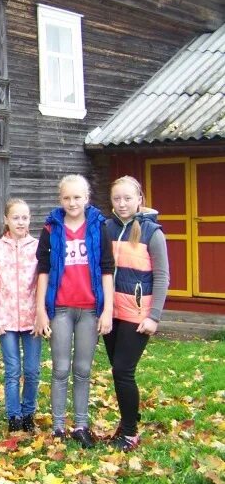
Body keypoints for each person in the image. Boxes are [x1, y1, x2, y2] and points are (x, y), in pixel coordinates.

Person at [34, 174, 114, 449]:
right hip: (61, 309)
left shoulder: (98, 226)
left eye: (77, 197)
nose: (72, 202)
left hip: (90, 309)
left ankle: (81, 424)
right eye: (67, 197)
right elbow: (43, 270)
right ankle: (58, 426)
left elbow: (106, 268)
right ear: (60, 199)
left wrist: (108, 310)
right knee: (60, 369)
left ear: (87, 198)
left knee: (82, 369)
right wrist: (41, 311)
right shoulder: (51, 227)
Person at [104, 176, 169, 452]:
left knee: (123, 370)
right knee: (118, 372)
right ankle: (127, 421)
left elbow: (163, 276)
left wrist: (153, 316)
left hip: (137, 315)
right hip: (111, 312)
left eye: (128, 198)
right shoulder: (105, 228)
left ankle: (130, 433)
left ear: (139, 199)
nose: (122, 204)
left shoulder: (152, 232)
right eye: (117, 198)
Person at [0, 198, 40, 433]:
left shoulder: (36, 246)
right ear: (6, 219)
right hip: (5, 320)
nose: (21, 222)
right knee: (13, 369)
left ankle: (29, 413)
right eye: (16, 217)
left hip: (32, 320)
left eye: (25, 217)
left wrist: (43, 316)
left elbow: (43, 284)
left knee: (33, 370)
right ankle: (14, 416)